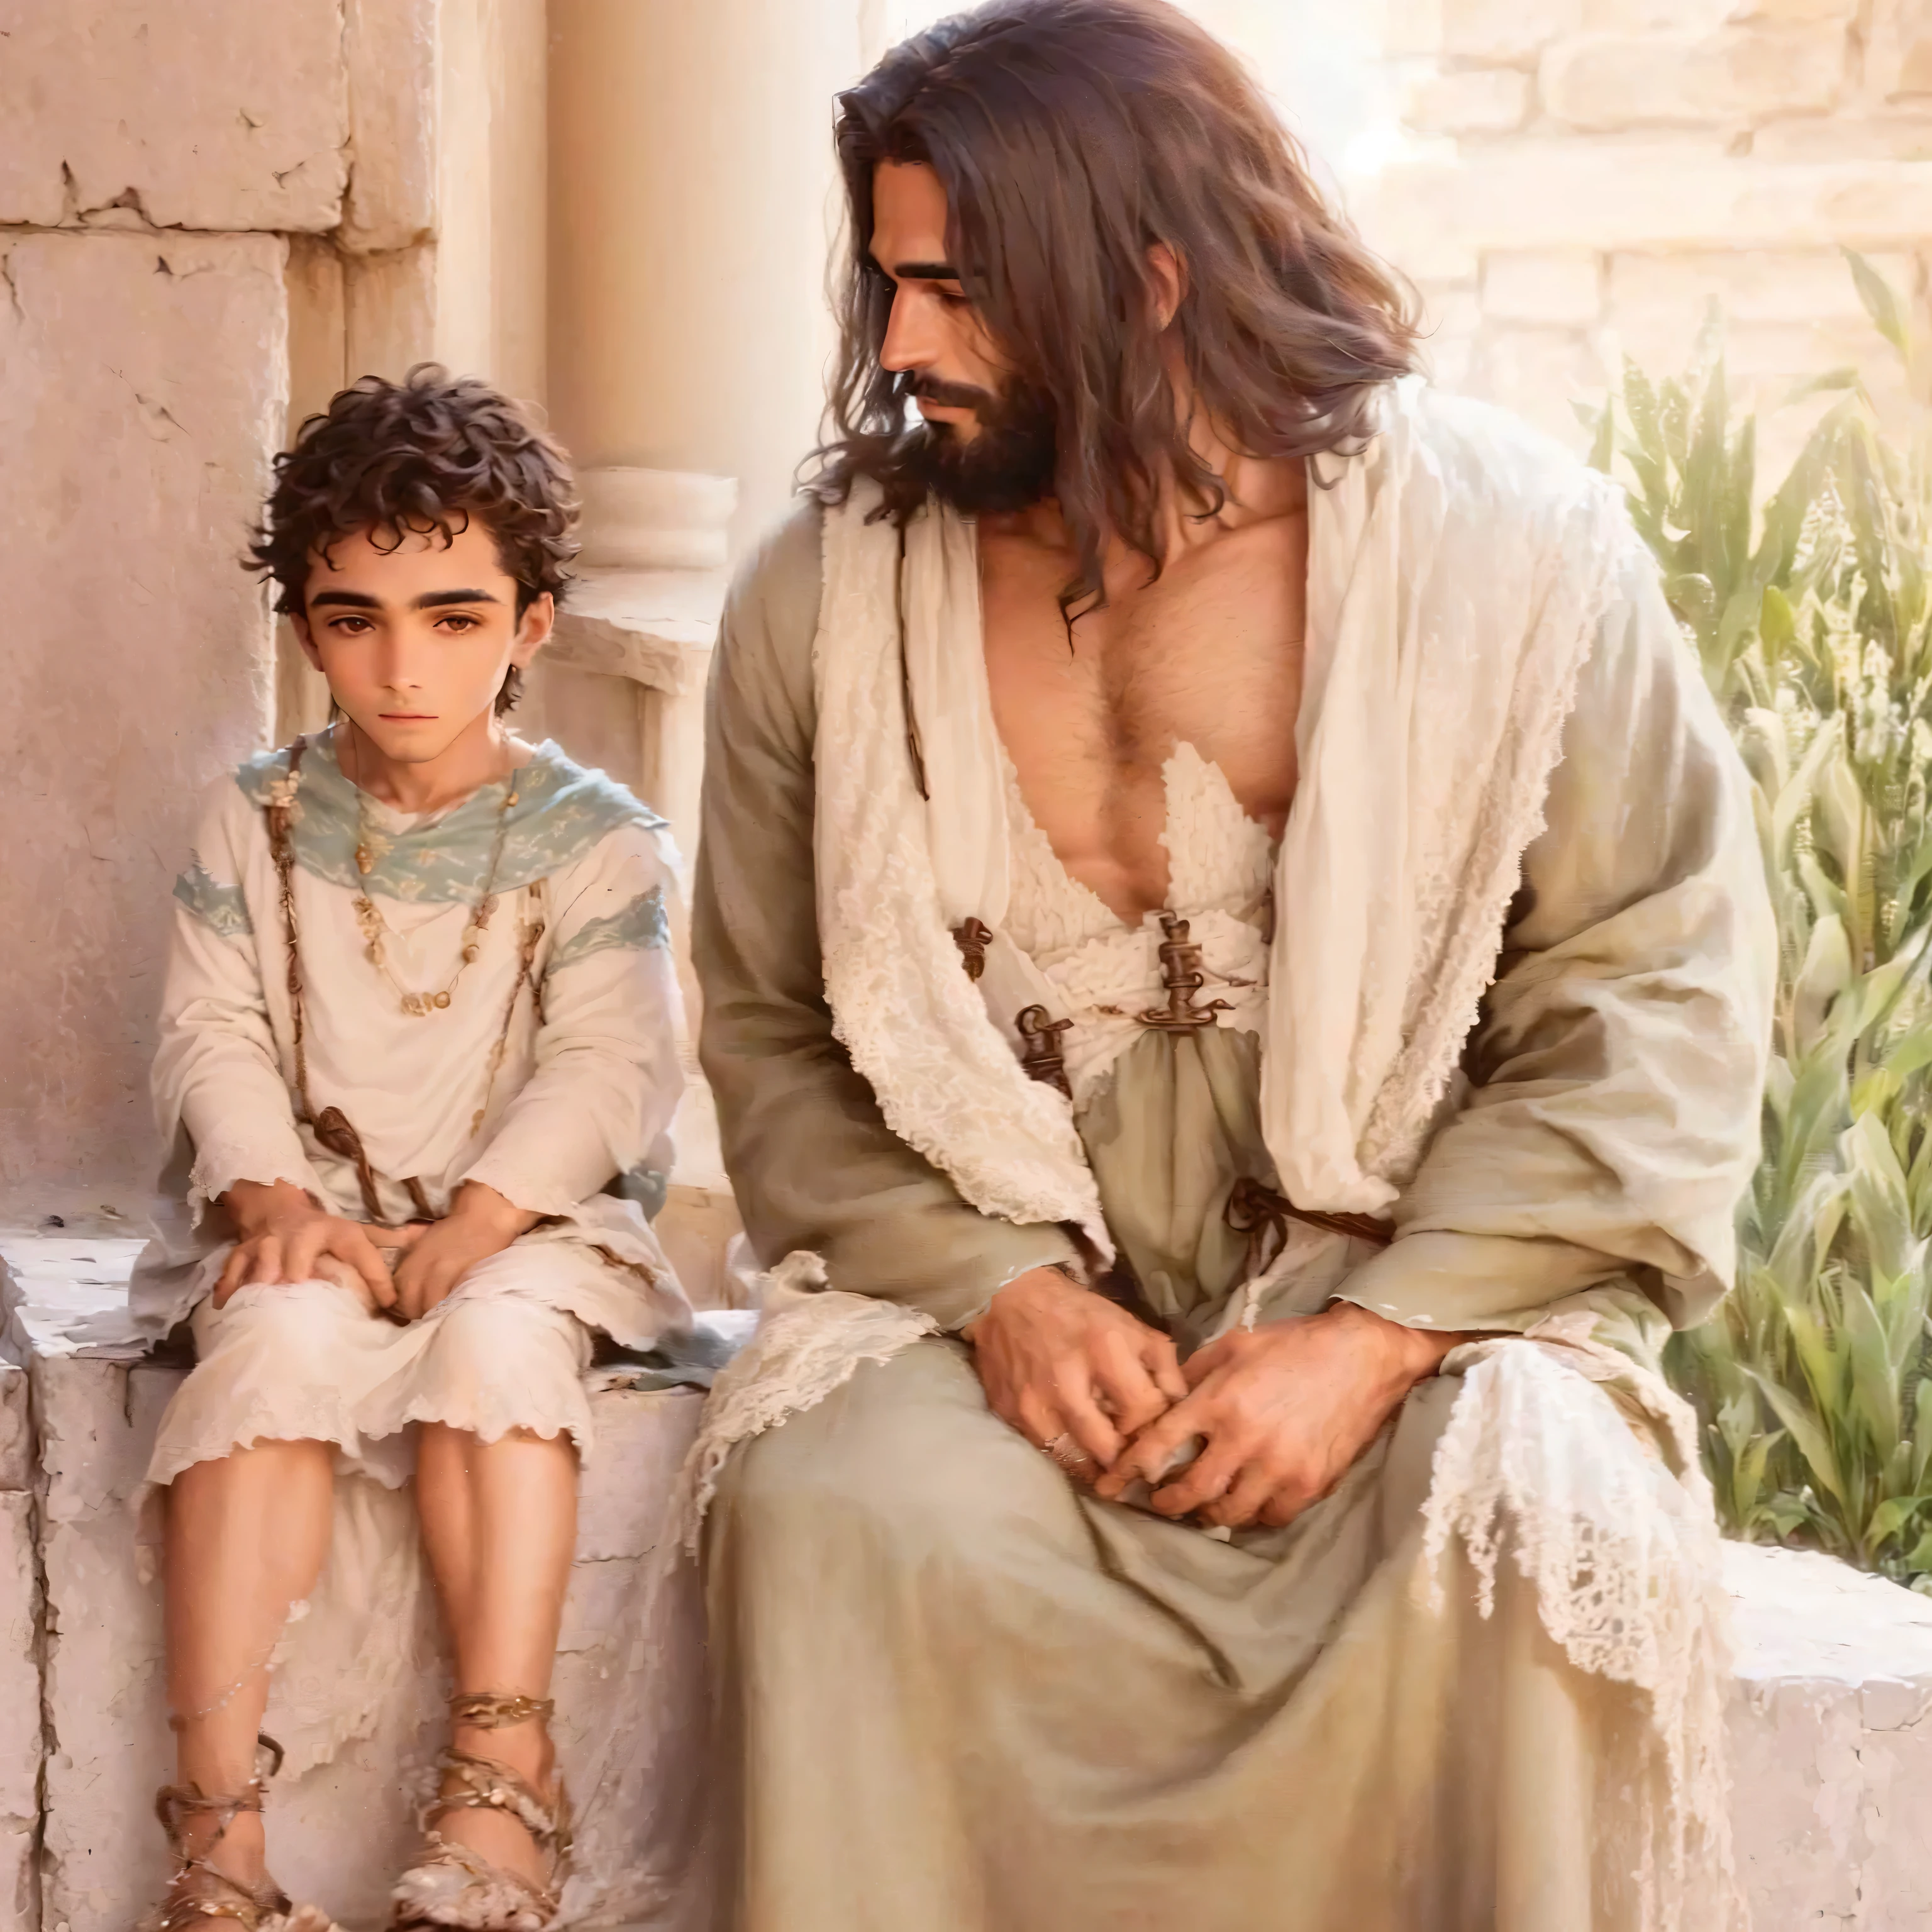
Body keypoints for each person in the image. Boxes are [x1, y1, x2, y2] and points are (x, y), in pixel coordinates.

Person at [688, 3, 1776, 1928]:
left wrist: (1373, 1342)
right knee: (834, 1507)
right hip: (1005, 1313)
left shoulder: (1510, 560)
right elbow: (773, 1030)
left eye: (955, 292)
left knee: (1522, 1525)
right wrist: (996, 1289)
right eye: (889, 288)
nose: (905, 349)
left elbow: (1653, 991)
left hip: (1412, 1287)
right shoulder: (827, 597)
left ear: (1153, 279)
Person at [130, 367, 691, 1932]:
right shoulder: (248, 820)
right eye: (353, 616)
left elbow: (614, 1055)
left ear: (531, 625)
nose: (401, 664)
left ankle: (498, 1799)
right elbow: (212, 1033)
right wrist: (276, 1200)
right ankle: (220, 1841)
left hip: (528, 1227)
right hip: (304, 1217)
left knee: (499, 1355)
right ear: (305, 626)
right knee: (270, 1352)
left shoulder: (598, 839)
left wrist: (484, 1219)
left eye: (453, 617)